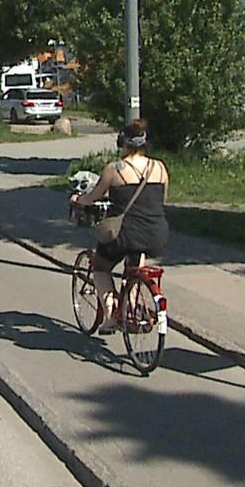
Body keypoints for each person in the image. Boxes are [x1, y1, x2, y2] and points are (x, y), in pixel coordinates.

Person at [67, 118, 169, 331]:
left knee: (100, 267)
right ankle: (130, 307)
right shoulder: (159, 167)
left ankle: (111, 316)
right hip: (155, 232)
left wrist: (77, 199)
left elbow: (93, 197)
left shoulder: (114, 169)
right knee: (135, 266)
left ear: (123, 142)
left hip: (123, 233)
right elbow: (162, 200)